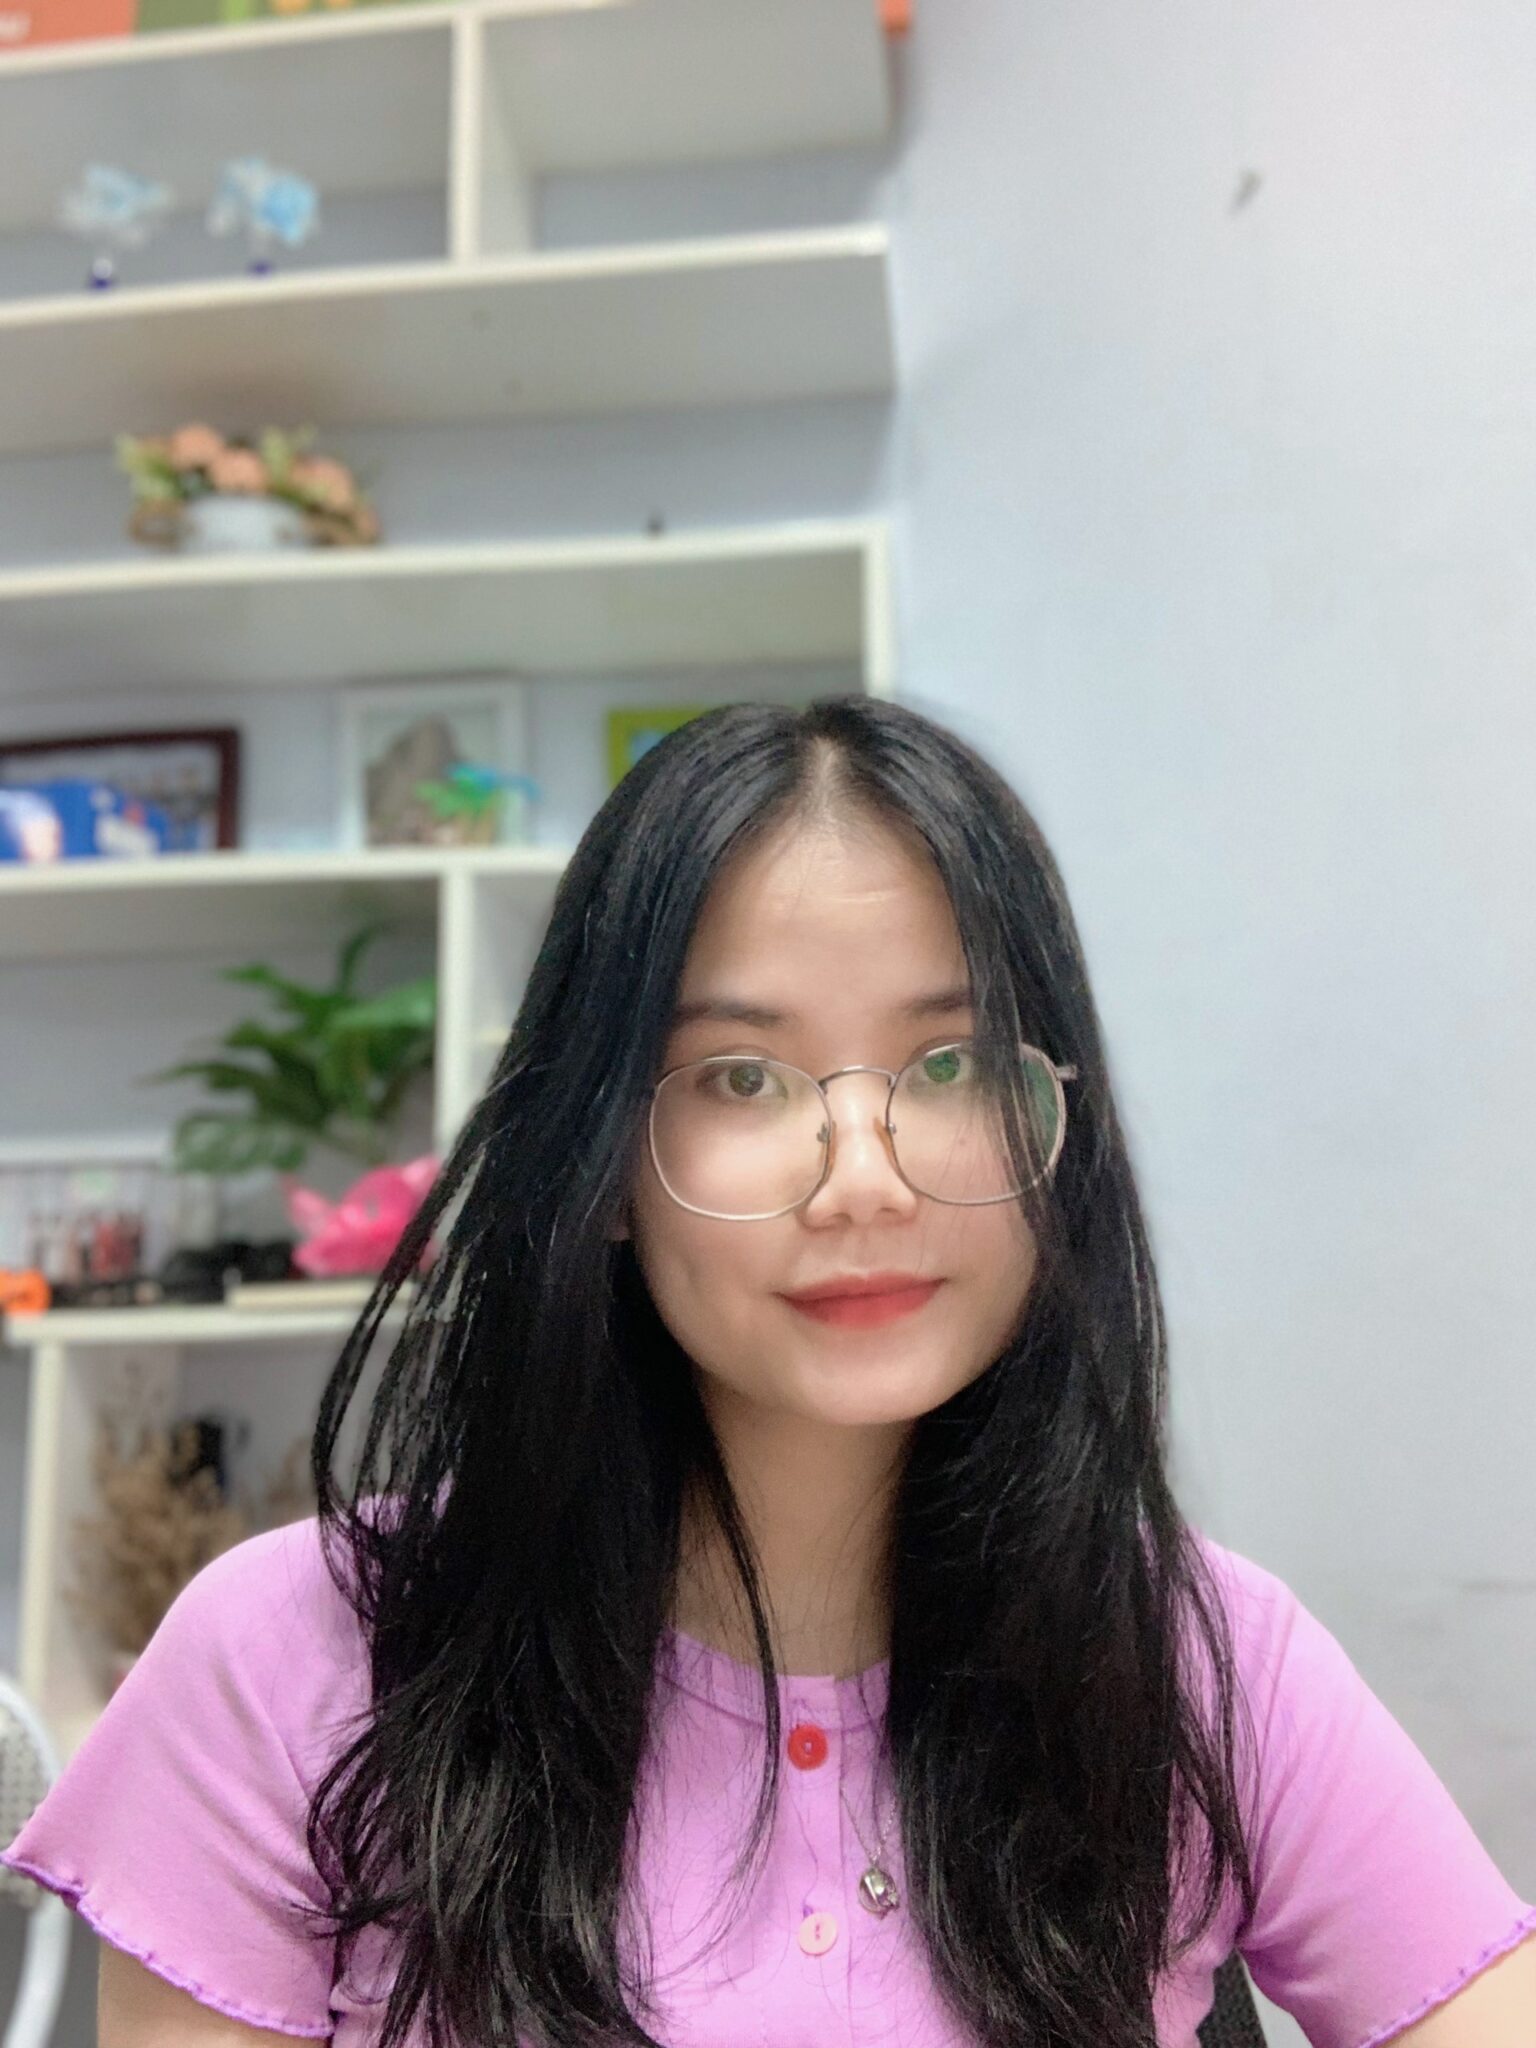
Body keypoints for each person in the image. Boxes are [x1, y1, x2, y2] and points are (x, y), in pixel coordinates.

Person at [4, 696, 1534, 2048]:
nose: (864, 1175)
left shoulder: (1203, 1660)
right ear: (601, 1157)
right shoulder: (292, 1662)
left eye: (950, 1064)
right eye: (742, 1076)